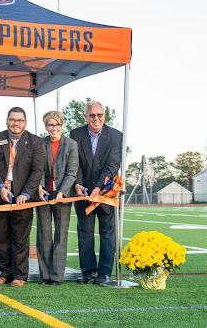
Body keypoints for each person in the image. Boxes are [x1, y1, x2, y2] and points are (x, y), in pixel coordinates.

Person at [0, 107, 44, 287]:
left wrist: (27, 194)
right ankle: (5, 273)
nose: (16, 123)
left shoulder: (35, 142)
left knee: (20, 238)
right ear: (7, 120)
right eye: (12, 120)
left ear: (25, 122)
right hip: (0, 196)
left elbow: (37, 171)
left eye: (19, 120)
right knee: (2, 237)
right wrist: (1, 187)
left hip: (23, 199)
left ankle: (20, 276)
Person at [70, 100, 122, 285]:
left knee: (107, 232)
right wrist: (78, 184)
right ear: (85, 117)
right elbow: (75, 163)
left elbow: (112, 166)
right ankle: (87, 271)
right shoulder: (75, 134)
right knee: (85, 231)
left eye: (99, 115)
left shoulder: (116, 136)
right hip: (83, 192)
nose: (96, 118)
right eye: (91, 115)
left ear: (104, 116)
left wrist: (98, 189)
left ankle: (104, 273)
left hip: (105, 193)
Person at [36, 111, 78, 286]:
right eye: (51, 125)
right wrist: (39, 187)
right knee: (44, 234)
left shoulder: (71, 144)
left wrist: (62, 192)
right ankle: (45, 276)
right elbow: (37, 168)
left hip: (63, 195)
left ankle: (56, 277)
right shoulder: (40, 143)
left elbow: (72, 172)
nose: (54, 128)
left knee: (61, 235)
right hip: (43, 194)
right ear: (46, 126)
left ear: (62, 125)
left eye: (57, 125)